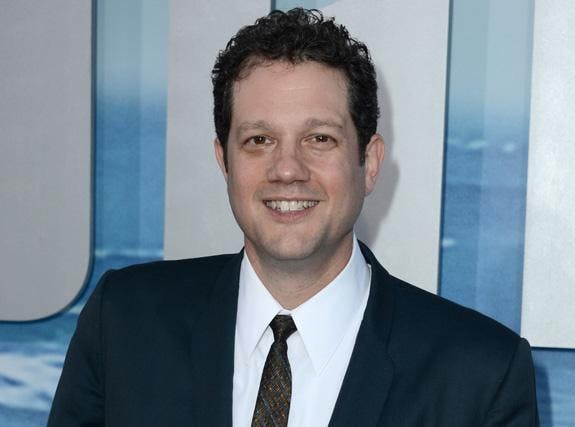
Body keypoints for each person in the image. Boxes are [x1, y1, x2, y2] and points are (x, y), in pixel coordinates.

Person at [48, 8, 539, 426]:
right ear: (224, 162)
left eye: (319, 138)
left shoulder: (482, 375)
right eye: (259, 140)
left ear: (369, 163)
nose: (287, 169)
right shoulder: (123, 324)